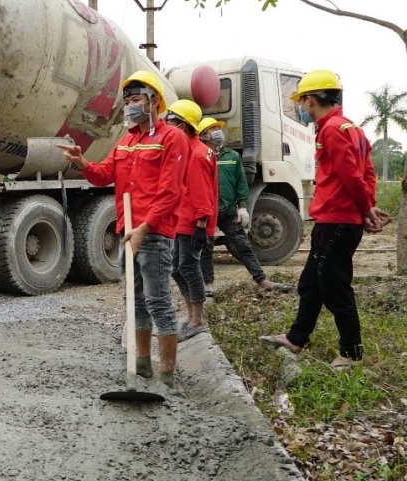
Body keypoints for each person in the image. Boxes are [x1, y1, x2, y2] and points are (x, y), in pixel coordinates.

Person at [58, 70, 189, 390]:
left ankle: (168, 375)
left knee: (158, 301)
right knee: (135, 301)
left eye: (136, 100)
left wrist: (145, 227)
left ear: (154, 102)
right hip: (128, 232)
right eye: (127, 101)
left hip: (154, 234)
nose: (130, 106)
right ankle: (142, 365)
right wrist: (82, 162)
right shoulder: (127, 142)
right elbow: (103, 175)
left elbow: (170, 191)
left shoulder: (172, 138)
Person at [259, 70, 391, 368]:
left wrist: (365, 209)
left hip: (336, 220)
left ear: (310, 99)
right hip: (339, 219)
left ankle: (352, 352)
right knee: (311, 283)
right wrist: (366, 205)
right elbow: (367, 173)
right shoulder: (352, 128)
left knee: (334, 287)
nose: (301, 109)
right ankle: (296, 338)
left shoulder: (331, 129)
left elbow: (351, 177)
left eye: (301, 103)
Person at [196, 117, 290, 297]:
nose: (218, 132)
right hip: (207, 211)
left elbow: (241, 185)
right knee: (206, 248)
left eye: (218, 128)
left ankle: (262, 280)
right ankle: (208, 285)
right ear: (203, 135)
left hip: (228, 210)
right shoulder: (200, 156)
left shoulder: (232, 157)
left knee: (243, 245)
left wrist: (243, 207)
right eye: (213, 129)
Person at [164, 101, 215, 341]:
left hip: (193, 223)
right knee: (177, 268)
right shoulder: (188, 150)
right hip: (182, 220)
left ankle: (198, 320)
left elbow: (202, 192)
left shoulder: (196, 155)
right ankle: (191, 315)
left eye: (171, 124)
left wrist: (201, 226)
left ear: (183, 125)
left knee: (189, 268)